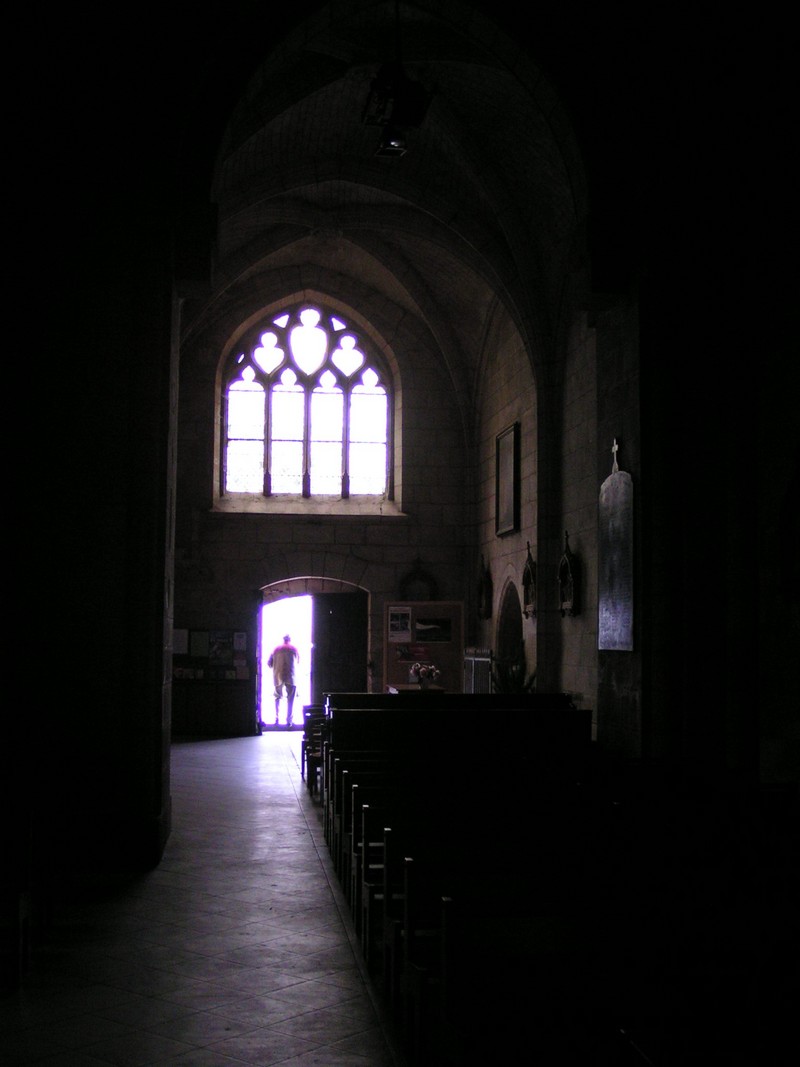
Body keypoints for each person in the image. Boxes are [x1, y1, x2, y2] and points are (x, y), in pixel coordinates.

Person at [268, 634, 299, 726]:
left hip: (278, 676)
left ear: (283, 639)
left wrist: (277, 666)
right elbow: (298, 661)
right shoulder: (294, 649)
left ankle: (276, 719)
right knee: (291, 699)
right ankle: (289, 721)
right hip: (291, 676)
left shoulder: (276, 649)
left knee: (277, 697)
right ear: (290, 639)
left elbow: (269, 663)